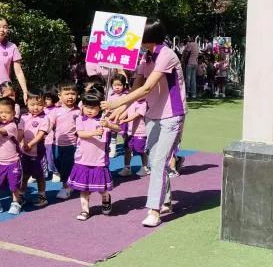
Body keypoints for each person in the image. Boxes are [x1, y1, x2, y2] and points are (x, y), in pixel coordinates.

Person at [105, 18, 187, 228]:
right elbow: (137, 86)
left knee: (159, 162)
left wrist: (117, 103)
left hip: (172, 115)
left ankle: (154, 210)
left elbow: (147, 88)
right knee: (155, 160)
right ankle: (165, 201)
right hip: (152, 114)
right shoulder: (145, 56)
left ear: (148, 36)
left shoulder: (166, 55)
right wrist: (122, 108)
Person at [68, 91, 120, 221]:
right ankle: (85, 210)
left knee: (101, 188)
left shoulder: (104, 119)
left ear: (100, 108)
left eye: (93, 107)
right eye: (86, 106)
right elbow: (81, 134)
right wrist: (95, 132)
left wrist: (109, 125)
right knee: (83, 188)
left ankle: (106, 198)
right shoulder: (80, 119)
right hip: (82, 159)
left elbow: (119, 129)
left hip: (99, 160)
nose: (89, 110)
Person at [19, 94, 50, 207]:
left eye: (39, 104)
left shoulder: (45, 118)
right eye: (32, 105)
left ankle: (42, 196)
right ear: (27, 104)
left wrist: (30, 144)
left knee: (39, 176)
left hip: (38, 153)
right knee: (24, 175)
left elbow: (41, 135)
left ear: (44, 105)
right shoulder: (24, 117)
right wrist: (19, 143)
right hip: (25, 152)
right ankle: (21, 195)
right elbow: (20, 132)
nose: (35, 107)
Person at [52, 83, 81, 200]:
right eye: (67, 94)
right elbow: (48, 124)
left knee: (67, 166)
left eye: (73, 94)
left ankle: (66, 187)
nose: (70, 96)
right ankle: (70, 181)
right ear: (60, 96)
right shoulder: (55, 111)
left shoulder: (79, 111)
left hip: (72, 145)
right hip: (57, 144)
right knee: (57, 163)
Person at [117, 99, 149, 177]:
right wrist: (118, 119)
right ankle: (127, 168)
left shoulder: (144, 104)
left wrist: (125, 120)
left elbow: (136, 115)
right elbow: (125, 112)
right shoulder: (132, 102)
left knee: (141, 150)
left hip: (140, 132)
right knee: (127, 149)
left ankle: (145, 168)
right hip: (130, 132)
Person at [43, 88, 59, 180]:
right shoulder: (41, 109)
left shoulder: (57, 110)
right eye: (44, 99)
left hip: (51, 138)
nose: (45, 101)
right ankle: (43, 172)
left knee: (51, 157)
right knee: (42, 157)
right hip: (41, 138)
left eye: (48, 99)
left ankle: (55, 172)